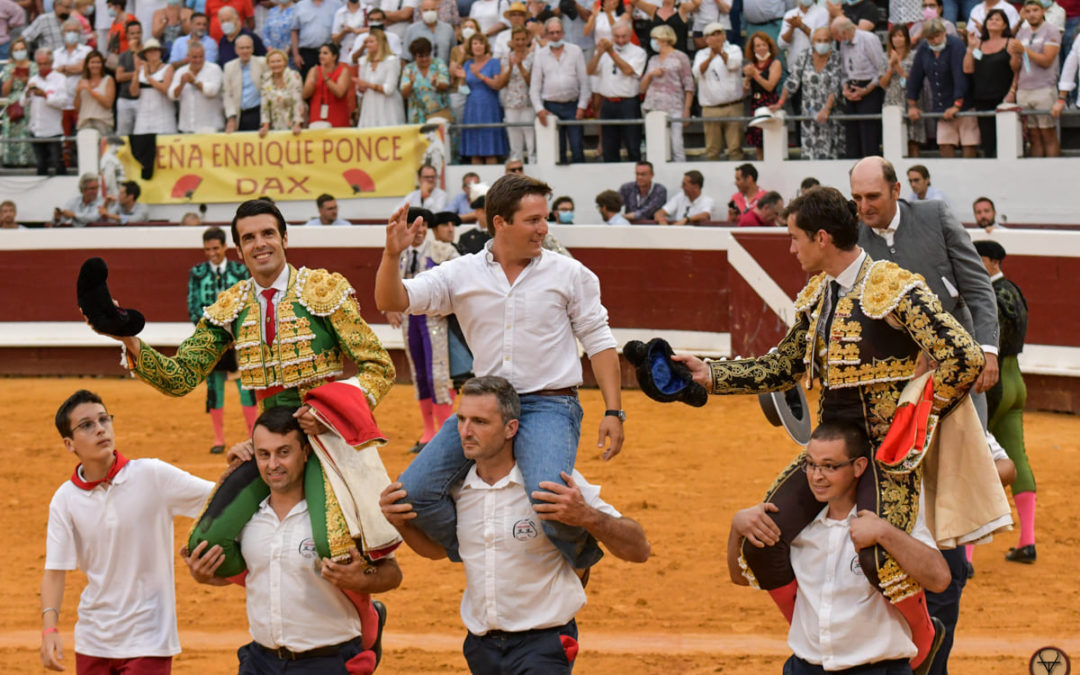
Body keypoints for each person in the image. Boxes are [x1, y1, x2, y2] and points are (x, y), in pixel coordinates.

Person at [675, 185, 984, 674]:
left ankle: (924, 640)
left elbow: (964, 357)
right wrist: (709, 374)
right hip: (831, 449)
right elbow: (782, 366)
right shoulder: (819, 295)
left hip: (887, 453)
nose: (791, 248)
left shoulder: (892, 286)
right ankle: (813, 637)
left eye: (795, 238)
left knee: (880, 559)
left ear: (822, 238)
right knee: (767, 537)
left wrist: (917, 419)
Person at [375, 173, 626, 571]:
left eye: (544, 219)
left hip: (550, 405)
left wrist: (613, 411)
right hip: (487, 407)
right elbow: (392, 298)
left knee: (549, 501)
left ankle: (579, 560)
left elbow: (599, 340)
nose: (543, 229)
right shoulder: (462, 272)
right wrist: (391, 256)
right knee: (414, 494)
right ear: (500, 223)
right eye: (533, 220)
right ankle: (476, 551)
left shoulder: (569, 274)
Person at [380, 376, 650, 674]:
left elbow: (639, 549)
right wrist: (401, 524)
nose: (466, 432)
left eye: (480, 422)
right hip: (480, 647)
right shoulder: (455, 490)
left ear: (511, 428)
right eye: (461, 420)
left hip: (543, 645)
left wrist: (586, 515)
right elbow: (438, 552)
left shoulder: (555, 483)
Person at [183, 406, 401, 674]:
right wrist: (205, 577)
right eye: (264, 454)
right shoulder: (247, 520)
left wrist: (362, 580)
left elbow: (393, 574)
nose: (273, 464)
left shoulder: (339, 514)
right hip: (260, 661)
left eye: (283, 452)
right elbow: (255, 576)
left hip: (327, 661)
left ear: (305, 453)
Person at [727, 422, 950, 675]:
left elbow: (939, 578)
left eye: (830, 466)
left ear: (859, 467)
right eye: (811, 464)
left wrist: (885, 533)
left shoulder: (887, 523)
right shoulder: (797, 531)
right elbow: (739, 577)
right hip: (805, 668)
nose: (817, 476)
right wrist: (737, 528)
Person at [40, 390, 215, 673]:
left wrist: (244, 461)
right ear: (69, 444)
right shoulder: (64, 499)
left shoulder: (152, 476)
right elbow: (54, 571)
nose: (100, 429)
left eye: (103, 420)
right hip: (92, 640)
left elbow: (219, 498)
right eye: (86, 425)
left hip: (149, 640)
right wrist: (49, 629)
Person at [852, 157, 1000, 422]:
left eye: (873, 196)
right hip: (895, 373)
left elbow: (978, 287)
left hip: (957, 360)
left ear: (896, 190)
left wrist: (987, 349)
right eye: (857, 198)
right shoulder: (853, 236)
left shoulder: (934, 215)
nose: (864, 207)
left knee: (968, 452)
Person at [973, 240, 1037, 565]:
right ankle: (1028, 541)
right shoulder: (1014, 291)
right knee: (1018, 457)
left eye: (977, 259)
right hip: (1016, 380)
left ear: (993, 262)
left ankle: (965, 556)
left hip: (991, 382)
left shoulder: (983, 295)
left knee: (974, 456)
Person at [385, 208, 458, 454]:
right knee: (420, 375)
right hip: (410, 322)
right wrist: (389, 308)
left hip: (436, 321)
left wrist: (450, 307)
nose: (421, 230)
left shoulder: (443, 251)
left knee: (438, 375)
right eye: (415, 225)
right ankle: (429, 432)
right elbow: (388, 283)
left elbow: (465, 281)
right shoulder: (399, 253)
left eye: (424, 224)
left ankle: (445, 433)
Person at [187, 226, 258, 453]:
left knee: (246, 387)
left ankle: (253, 436)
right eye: (207, 249)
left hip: (238, 340)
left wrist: (238, 334)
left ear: (224, 247)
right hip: (212, 340)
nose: (211, 253)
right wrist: (210, 335)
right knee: (214, 389)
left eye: (215, 248)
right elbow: (192, 305)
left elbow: (250, 302)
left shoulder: (240, 271)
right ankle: (218, 439)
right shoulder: (197, 273)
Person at [906, 19, 980, 158]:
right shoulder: (924, 48)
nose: (934, 41)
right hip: (941, 105)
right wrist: (912, 104)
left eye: (937, 36)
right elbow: (915, 76)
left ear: (944, 33)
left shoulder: (956, 45)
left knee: (969, 144)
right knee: (945, 144)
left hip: (964, 103)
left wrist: (957, 104)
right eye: (930, 38)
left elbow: (960, 75)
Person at [772, 27, 843, 160]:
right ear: (813, 42)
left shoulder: (835, 57)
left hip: (829, 115)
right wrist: (780, 103)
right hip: (809, 115)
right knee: (809, 155)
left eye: (826, 40)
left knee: (829, 156)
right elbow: (792, 81)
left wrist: (826, 110)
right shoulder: (804, 56)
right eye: (819, 40)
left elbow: (835, 86)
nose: (822, 43)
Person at [530, 17, 590, 164]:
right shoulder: (540, 55)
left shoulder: (575, 51)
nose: (555, 36)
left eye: (558, 32)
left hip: (572, 105)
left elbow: (584, 82)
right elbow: (534, 87)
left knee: (577, 146)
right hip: (551, 107)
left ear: (563, 33)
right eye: (552, 33)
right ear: (547, 34)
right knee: (556, 149)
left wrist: (582, 107)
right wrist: (539, 110)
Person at [965, 8, 1020, 157]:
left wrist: (1012, 92)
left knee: (1006, 143)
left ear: (1004, 25)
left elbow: (1017, 71)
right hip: (982, 98)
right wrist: (970, 48)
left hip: (1003, 98)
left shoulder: (1011, 43)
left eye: (997, 19)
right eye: (990, 19)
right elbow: (968, 69)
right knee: (988, 144)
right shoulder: (978, 44)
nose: (993, 21)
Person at [588, 21, 646, 162]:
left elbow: (627, 71)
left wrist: (611, 52)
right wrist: (599, 53)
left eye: (624, 37)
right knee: (609, 147)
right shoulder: (604, 50)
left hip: (628, 104)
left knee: (633, 145)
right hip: (607, 103)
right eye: (617, 37)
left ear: (630, 35)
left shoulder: (638, 52)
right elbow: (589, 70)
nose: (620, 40)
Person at [1011, 0, 1062, 157]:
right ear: (1024, 13)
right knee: (1032, 135)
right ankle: (1037, 173)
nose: (1032, 14)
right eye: (1028, 11)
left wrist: (1024, 50)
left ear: (1043, 11)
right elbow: (1015, 66)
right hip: (1024, 88)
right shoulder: (1021, 33)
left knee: (1048, 133)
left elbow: (1047, 60)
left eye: (1035, 10)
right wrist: (1014, 55)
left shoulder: (1051, 31)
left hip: (1044, 87)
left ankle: (1054, 171)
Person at [832, 16, 887, 159]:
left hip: (870, 88)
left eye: (836, 35)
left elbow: (881, 69)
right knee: (851, 135)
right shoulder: (843, 44)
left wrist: (866, 89)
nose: (836, 39)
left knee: (868, 135)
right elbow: (844, 71)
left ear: (845, 32)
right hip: (851, 87)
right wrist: (845, 88)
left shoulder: (868, 39)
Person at [641, 24, 693, 161]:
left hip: (675, 107)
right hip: (653, 107)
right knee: (655, 148)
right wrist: (651, 74)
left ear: (664, 39)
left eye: (654, 38)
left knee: (677, 145)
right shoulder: (653, 60)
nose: (652, 41)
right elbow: (642, 88)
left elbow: (689, 85)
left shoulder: (680, 57)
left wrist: (687, 109)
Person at [454, 31, 508, 162]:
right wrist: (462, 79)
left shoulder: (494, 62)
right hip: (472, 108)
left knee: (490, 151)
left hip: (489, 107)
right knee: (475, 151)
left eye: (481, 43)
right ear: (470, 47)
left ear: (486, 46)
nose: (478, 46)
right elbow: (464, 91)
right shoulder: (468, 64)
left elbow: (496, 85)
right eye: (475, 43)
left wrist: (480, 76)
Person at [694, 22, 744, 161]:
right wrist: (710, 57)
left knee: (735, 149)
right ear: (706, 39)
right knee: (712, 150)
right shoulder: (701, 54)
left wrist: (720, 52)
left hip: (732, 106)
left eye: (719, 33)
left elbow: (733, 64)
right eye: (712, 35)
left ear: (724, 36)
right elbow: (697, 72)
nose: (716, 37)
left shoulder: (734, 49)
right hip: (710, 109)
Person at [24, 48, 71, 178]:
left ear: (51, 63)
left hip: (53, 130)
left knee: (57, 163)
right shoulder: (33, 79)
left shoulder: (60, 79)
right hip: (36, 130)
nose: (42, 67)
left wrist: (45, 96)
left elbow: (63, 102)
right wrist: (27, 93)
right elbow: (23, 103)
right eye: (40, 64)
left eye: (45, 63)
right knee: (40, 165)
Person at [883, 24, 926, 158]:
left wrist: (897, 66)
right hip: (892, 99)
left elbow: (913, 79)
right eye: (894, 36)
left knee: (913, 140)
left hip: (911, 99)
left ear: (906, 38)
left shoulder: (914, 56)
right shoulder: (885, 57)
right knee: (895, 139)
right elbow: (883, 83)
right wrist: (891, 67)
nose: (897, 39)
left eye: (901, 35)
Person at [494, 26, 535, 164]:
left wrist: (521, 67)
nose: (520, 42)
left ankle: (533, 161)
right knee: (514, 135)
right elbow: (501, 83)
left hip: (528, 102)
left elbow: (533, 81)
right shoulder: (506, 57)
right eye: (517, 39)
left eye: (523, 39)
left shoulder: (533, 56)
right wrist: (511, 67)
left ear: (527, 40)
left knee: (530, 136)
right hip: (511, 101)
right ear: (512, 40)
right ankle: (517, 162)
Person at [742, 31, 782, 160]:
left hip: (769, 104)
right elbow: (744, 91)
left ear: (769, 46)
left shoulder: (775, 64)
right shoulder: (751, 65)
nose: (761, 48)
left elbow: (770, 86)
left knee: (772, 141)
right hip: (756, 104)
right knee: (758, 144)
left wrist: (756, 75)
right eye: (758, 46)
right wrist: (747, 78)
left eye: (763, 45)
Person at [170, 40, 226, 132]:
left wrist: (194, 82)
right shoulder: (180, 71)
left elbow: (211, 92)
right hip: (187, 128)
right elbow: (172, 95)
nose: (198, 60)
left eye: (201, 57)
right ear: (188, 57)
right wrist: (181, 84)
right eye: (195, 57)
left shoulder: (214, 69)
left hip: (211, 128)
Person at [2, 38, 39, 170]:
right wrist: (12, 76)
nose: (19, 52)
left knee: (26, 131)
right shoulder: (9, 68)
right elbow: (5, 92)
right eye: (16, 50)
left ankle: (27, 160)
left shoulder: (34, 66)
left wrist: (26, 80)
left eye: (22, 49)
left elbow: (37, 86)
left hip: (29, 103)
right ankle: (10, 161)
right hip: (13, 104)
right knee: (11, 130)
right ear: (12, 53)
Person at [356, 31, 405, 129]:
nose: (368, 45)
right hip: (370, 107)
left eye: (371, 42)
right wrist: (360, 88)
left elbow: (389, 89)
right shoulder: (364, 62)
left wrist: (369, 85)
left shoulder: (391, 61)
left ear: (380, 43)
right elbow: (360, 91)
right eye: (367, 42)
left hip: (387, 107)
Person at [131, 38, 179, 135]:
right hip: (143, 120)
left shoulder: (167, 68)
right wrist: (136, 72)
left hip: (163, 120)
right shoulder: (140, 70)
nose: (153, 53)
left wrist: (148, 77)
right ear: (145, 54)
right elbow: (133, 92)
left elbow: (166, 90)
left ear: (160, 52)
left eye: (155, 50)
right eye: (149, 51)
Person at [401, 37, 450, 126]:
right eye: (420, 56)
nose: (424, 59)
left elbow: (445, 86)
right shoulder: (409, 69)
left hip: (438, 114)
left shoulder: (438, 64)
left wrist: (436, 84)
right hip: (416, 117)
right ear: (414, 56)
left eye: (427, 55)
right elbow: (404, 94)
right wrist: (411, 84)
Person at [223, 34, 266, 131]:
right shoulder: (229, 67)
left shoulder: (263, 63)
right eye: (241, 48)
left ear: (252, 49)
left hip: (258, 113)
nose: (245, 51)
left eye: (248, 47)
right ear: (236, 50)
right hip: (239, 114)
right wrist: (231, 118)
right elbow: (227, 94)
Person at [258, 47, 305, 136]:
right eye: (272, 62)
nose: (276, 64)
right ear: (268, 64)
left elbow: (298, 101)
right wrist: (265, 125)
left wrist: (297, 124)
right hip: (275, 123)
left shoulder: (294, 76)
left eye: (279, 61)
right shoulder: (265, 78)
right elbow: (264, 105)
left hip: (292, 123)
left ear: (285, 62)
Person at [303, 41, 351, 127]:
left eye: (325, 53)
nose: (321, 56)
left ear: (334, 56)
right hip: (317, 115)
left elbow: (340, 93)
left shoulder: (343, 71)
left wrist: (326, 78)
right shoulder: (314, 70)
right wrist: (312, 81)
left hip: (337, 115)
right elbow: (305, 95)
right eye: (320, 53)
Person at [290, 0, 343, 78]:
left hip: (329, 52)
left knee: (330, 81)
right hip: (307, 53)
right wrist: (296, 55)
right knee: (308, 82)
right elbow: (294, 31)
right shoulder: (300, 5)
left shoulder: (337, 4)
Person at [628, 0, 695, 57]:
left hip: (677, 54)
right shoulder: (652, 9)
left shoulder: (682, 9)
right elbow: (634, 1)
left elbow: (697, 3)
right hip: (656, 54)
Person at [778, 0, 828, 74]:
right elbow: (781, 44)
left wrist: (801, 26)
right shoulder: (790, 14)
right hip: (794, 68)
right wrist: (791, 28)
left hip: (815, 69)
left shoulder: (823, 13)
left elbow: (822, 40)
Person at [73, 50, 116, 135]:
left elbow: (108, 104)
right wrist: (77, 93)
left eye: (98, 62)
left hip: (103, 122)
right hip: (84, 123)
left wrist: (91, 91)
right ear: (87, 64)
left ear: (102, 64)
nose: (95, 65)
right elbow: (77, 107)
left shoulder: (108, 80)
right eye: (92, 62)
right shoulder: (82, 81)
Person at [113, 20, 142, 136]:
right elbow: (119, 77)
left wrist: (131, 74)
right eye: (132, 33)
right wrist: (137, 73)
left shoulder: (148, 52)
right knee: (123, 135)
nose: (135, 36)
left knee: (141, 134)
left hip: (142, 99)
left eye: (138, 33)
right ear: (127, 35)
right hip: (125, 99)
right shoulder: (124, 55)